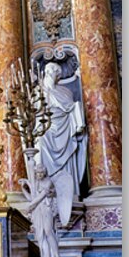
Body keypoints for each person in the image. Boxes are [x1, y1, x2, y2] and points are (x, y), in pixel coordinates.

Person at [37, 63, 87, 196]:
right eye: (49, 71)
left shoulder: (66, 91)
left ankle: (69, 192)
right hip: (46, 127)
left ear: (58, 76)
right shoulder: (38, 91)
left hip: (64, 128)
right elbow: (33, 111)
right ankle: (45, 190)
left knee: (69, 152)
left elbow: (72, 108)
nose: (51, 73)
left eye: (54, 72)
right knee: (40, 142)